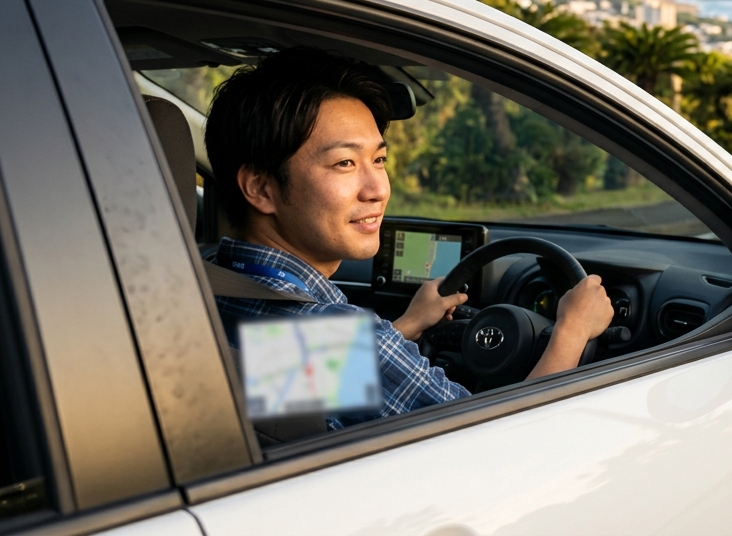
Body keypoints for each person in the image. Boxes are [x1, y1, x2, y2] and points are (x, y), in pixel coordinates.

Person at [205, 48, 613, 428]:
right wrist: (572, 330)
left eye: (379, 160)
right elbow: (499, 444)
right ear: (260, 189)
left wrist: (406, 325)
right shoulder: (332, 331)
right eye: (345, 163)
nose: (378, 189)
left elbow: (283, 374)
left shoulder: (204, 292)